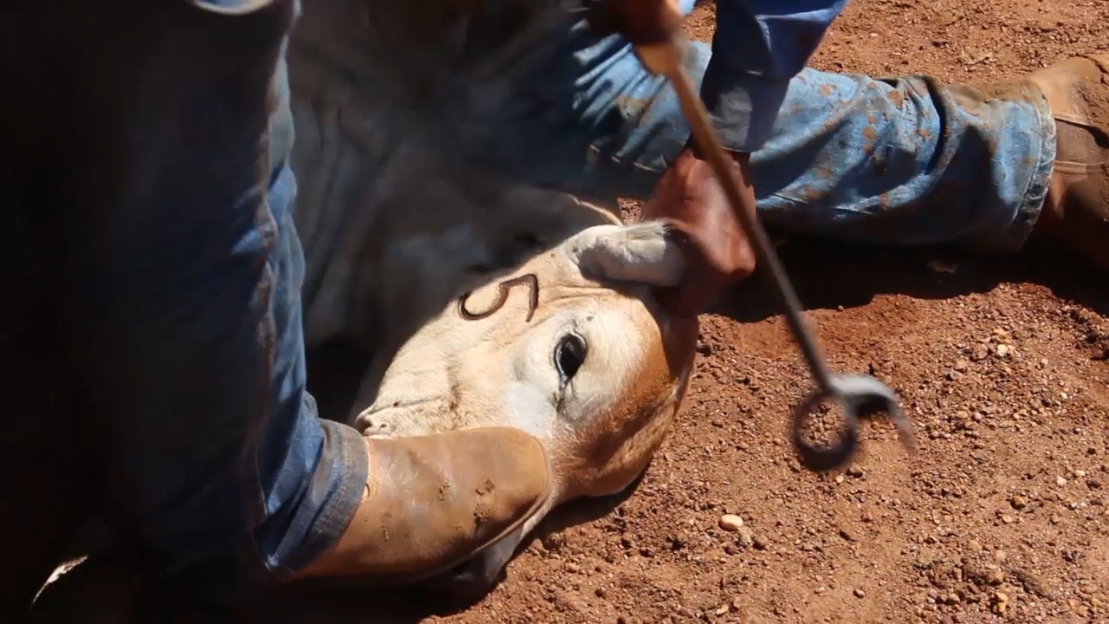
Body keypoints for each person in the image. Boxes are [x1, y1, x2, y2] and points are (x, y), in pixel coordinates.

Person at [1, 0, 1105, 615]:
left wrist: (734, 118)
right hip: (187, 59)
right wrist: (277, 493)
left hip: (444, 39)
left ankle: (1030, 160)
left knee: (597, 83)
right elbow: (192, 191)